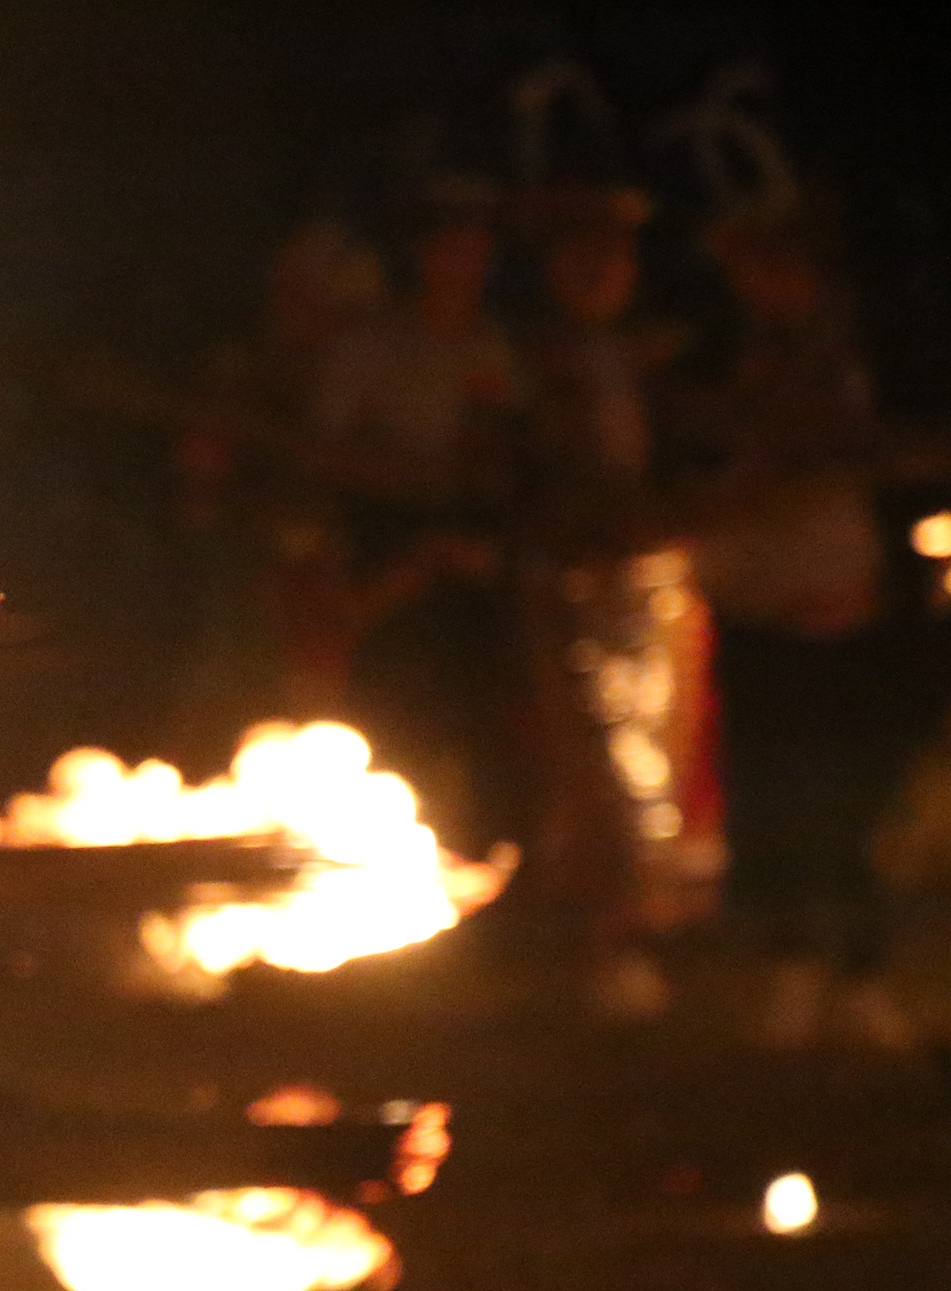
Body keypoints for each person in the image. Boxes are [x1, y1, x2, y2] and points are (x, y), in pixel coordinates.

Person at [674, 195, 930, 1050]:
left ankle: (856, 974)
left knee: (856, 800)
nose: (773, 283)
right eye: (756, 266)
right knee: (774, 798)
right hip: (756, 611)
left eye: (787, 265)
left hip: (851, 609)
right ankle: (789, 972)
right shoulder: (717, 357)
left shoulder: (865, 355)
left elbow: (890, 455)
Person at [513, 179, 720, 1019]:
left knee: (660, 760)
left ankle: (649, 932)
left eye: (615, 254)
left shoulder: (657, 361)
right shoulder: (529, 363)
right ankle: (603, 939)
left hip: (654, 584)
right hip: (572, 582)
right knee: (590, 759)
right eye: (581, 252)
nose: (600, 270)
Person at [306, 177, 524, 847]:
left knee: (483, 718)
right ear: (422, 255)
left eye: (475, 249)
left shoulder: (492, 347)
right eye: (448, 247)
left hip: (473, 552)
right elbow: (325, 449)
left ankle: (479, 863)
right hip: (388, 542)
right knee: (391, 713)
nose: (463, 263)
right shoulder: (374, 344)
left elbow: (504, 447)